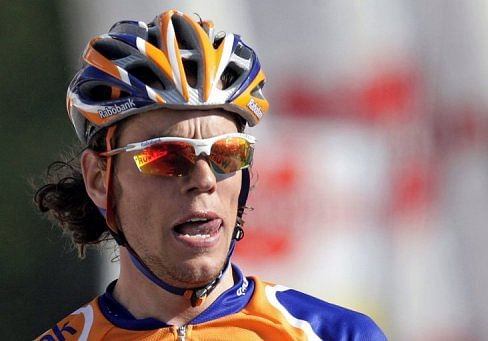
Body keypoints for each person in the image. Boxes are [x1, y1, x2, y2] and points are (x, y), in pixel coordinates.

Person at [35, 8, 387, 340]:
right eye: (166, 155)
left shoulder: (337, 334)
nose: (204, 180)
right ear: (100, 178)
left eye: (227, 153)